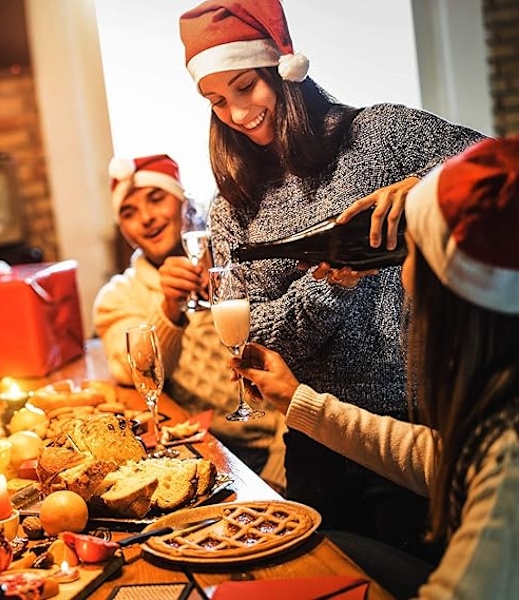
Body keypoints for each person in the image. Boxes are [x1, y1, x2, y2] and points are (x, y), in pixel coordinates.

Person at [178, 0, 486, 557]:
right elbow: (251, 334)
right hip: (314, 432)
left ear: (283, 72)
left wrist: (429, 186)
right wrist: (327, 285)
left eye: (246, 87)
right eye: (217, 100)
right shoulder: (233, 202)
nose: (237, 113)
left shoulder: (381, 134)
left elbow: (499, 176)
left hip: (417, 426)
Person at [231, 136, 519, 599]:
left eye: (412, 251)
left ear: (456, 291)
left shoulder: (511, 463)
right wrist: (293, 398)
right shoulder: (498, 425)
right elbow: (439, 459)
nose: (399, 272)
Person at [92, 154, 286, 490]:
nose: (147, 218)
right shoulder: (119, 295)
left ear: (184, 202)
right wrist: (169, 309)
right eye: (129, 212)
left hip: (284, 435)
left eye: (156, 199)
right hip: (210, 444)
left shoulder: (237, 263)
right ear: (122, 229)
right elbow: (131, 371)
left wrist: (277, 473)